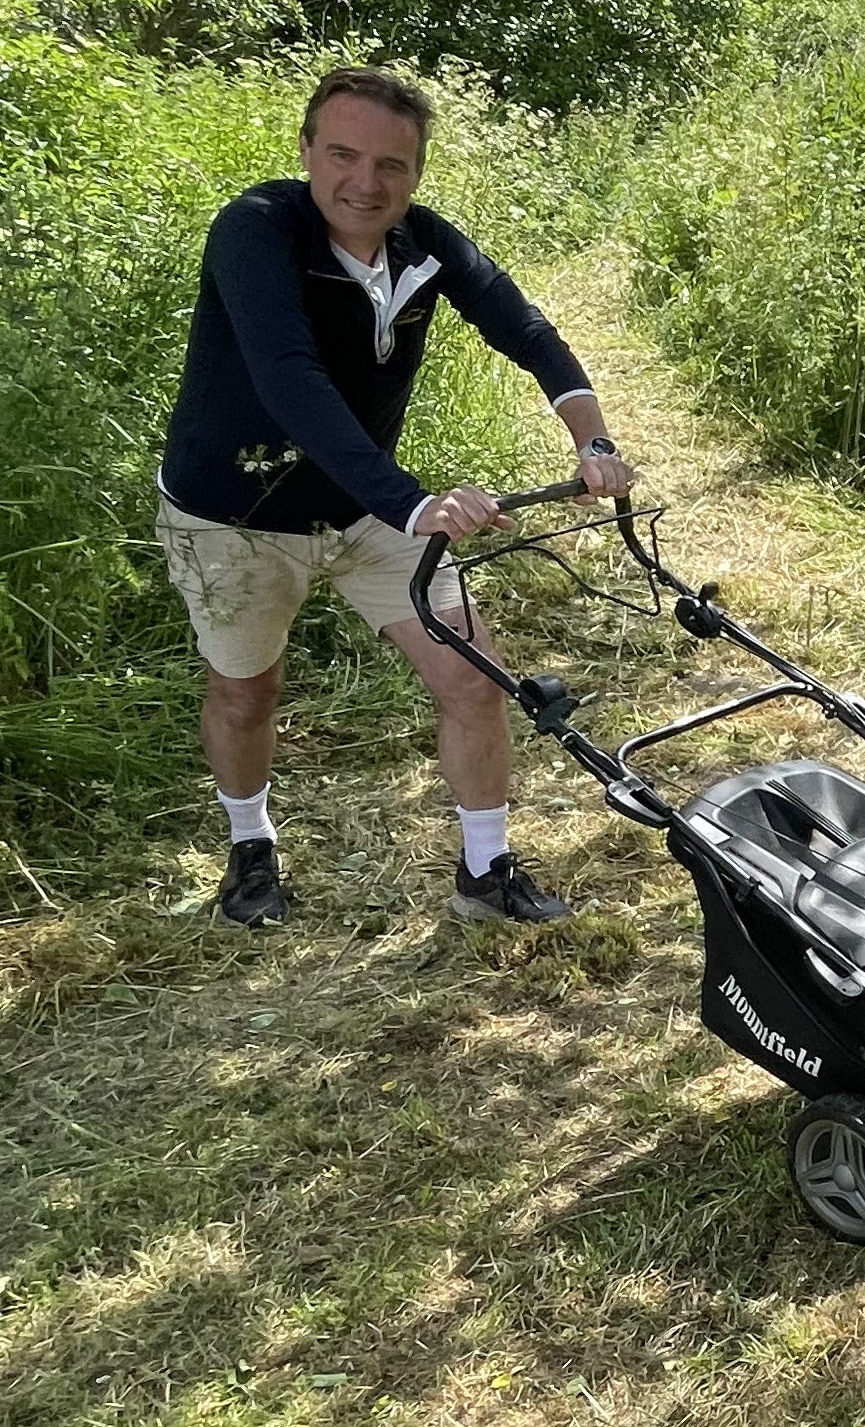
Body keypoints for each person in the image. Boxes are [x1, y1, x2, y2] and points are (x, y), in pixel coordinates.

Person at [155, 66, 639, 931]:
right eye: (342, 155)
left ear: (416, 173)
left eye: (392, 165)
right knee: (246, 691)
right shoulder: (257, 232)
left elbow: (525, 330)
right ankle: (250, 850)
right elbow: (291, 383)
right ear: (306, 151)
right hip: (234, 514)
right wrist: (412, 500)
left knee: (472, 674)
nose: (365, 183)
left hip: (365, 508)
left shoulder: (424, 244)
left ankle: (485, 875)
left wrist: (593, 440)